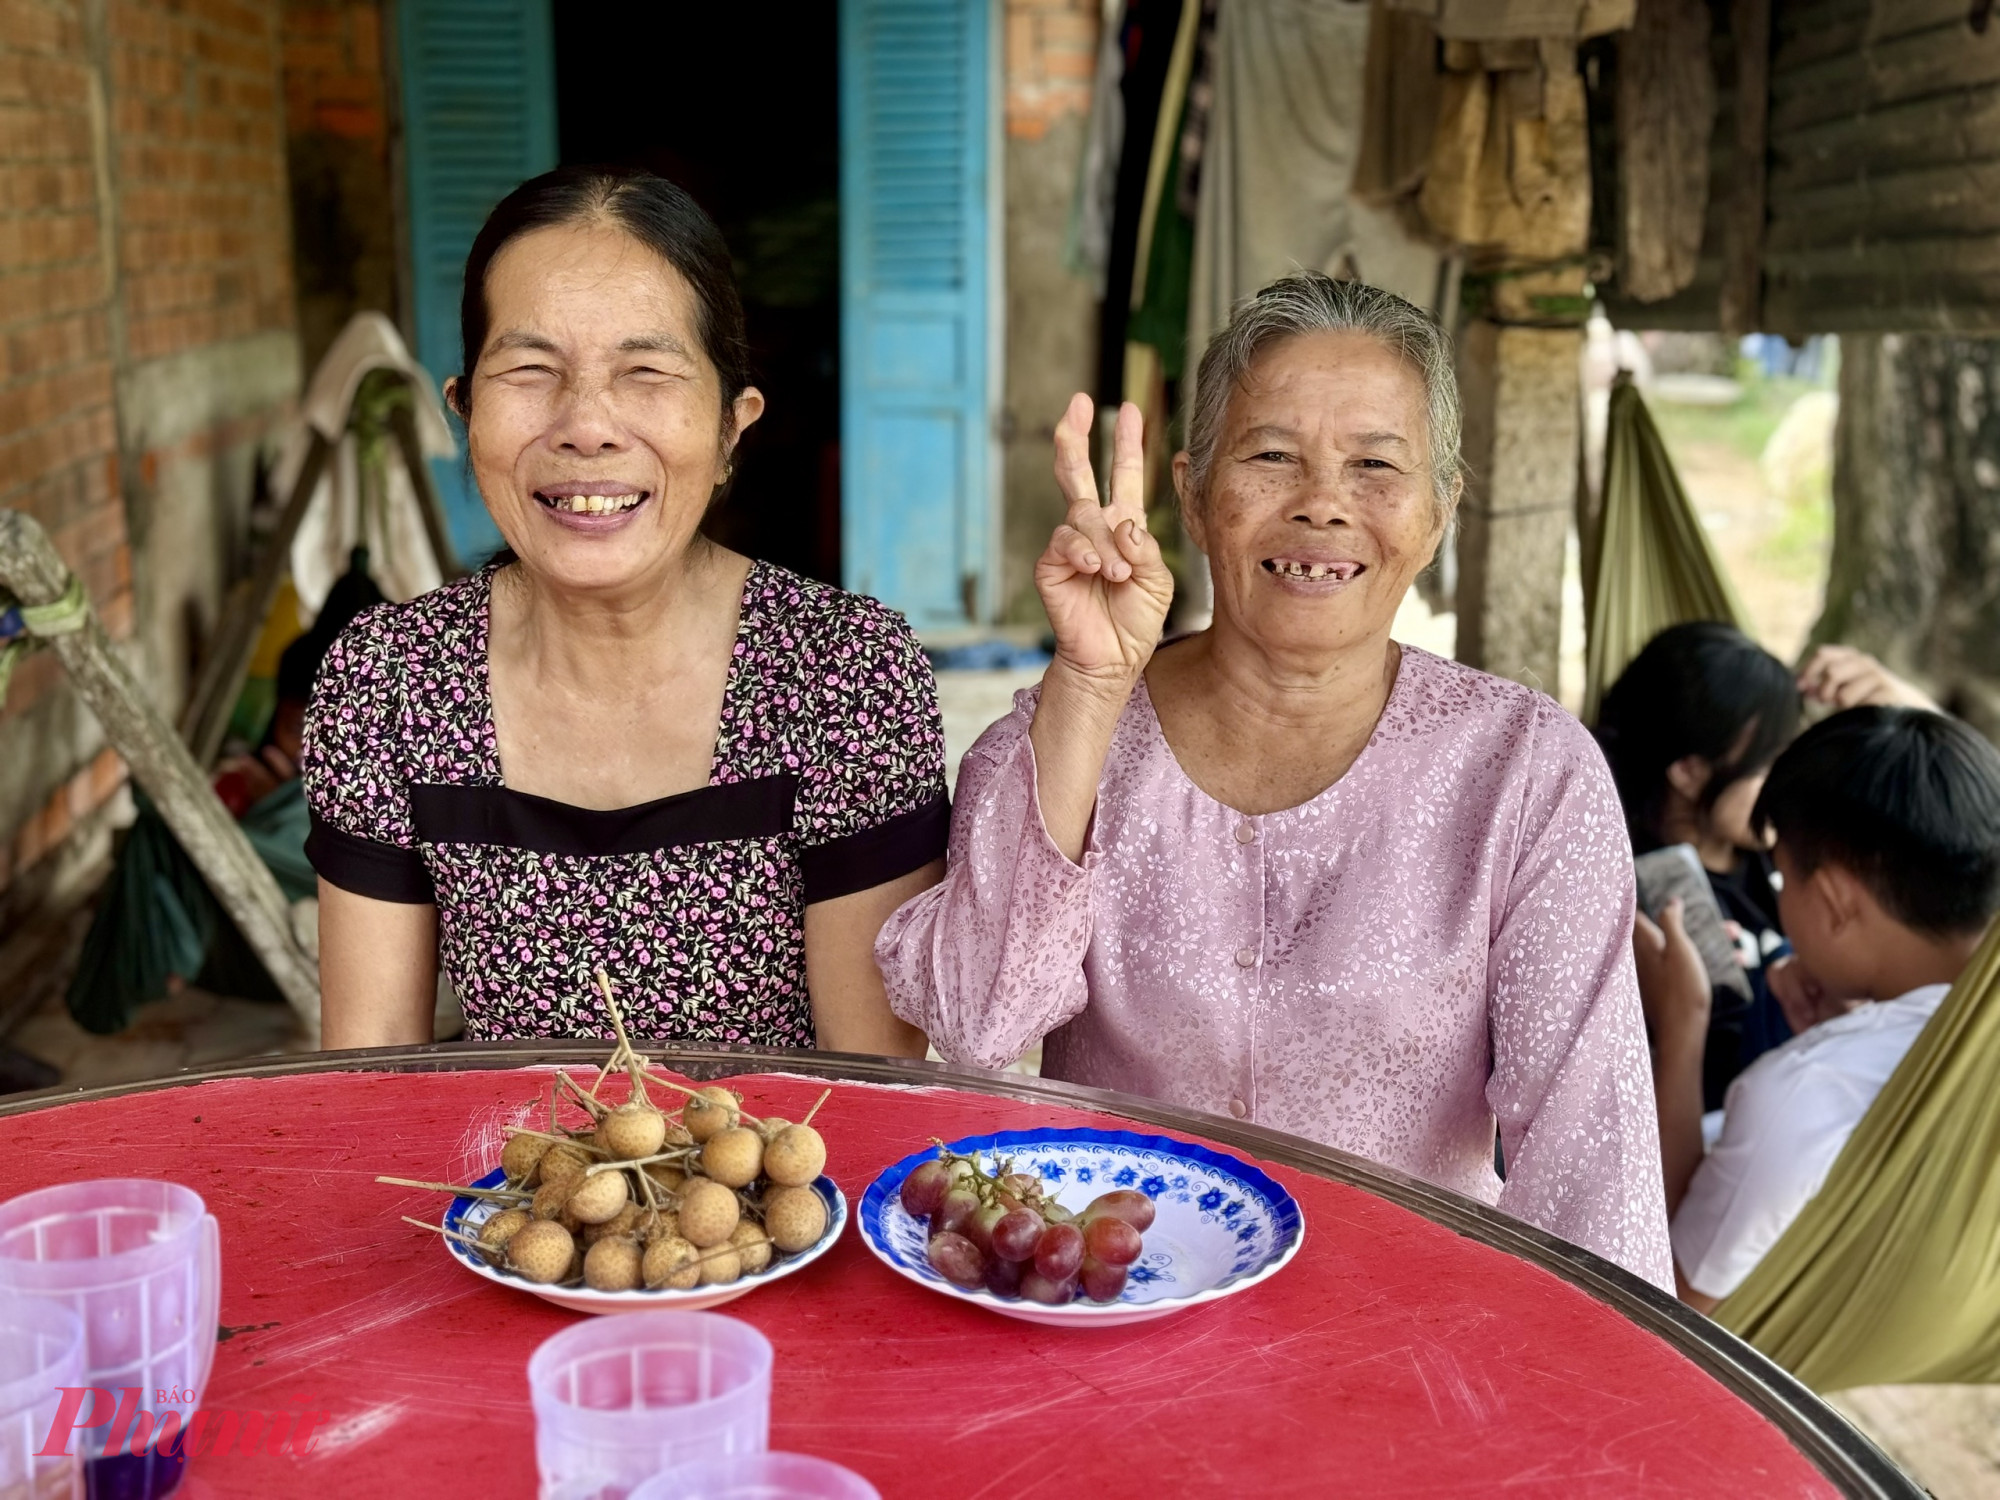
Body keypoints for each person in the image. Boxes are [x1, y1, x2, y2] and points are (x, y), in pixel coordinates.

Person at [878, 273, 1672, 1290]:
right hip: (1120, 1320)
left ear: (1436, 514)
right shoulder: (1060, 738)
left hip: (1402, 1338)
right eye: (1269, 457)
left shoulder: (1522, 770)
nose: (1322, 505)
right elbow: (974, 1027)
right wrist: (1087, 685)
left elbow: (1588, 1155)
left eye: (1376, 466)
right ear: (1195, 498)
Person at [302, 167, 946, 1054]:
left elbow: (870, 1080)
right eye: (530, 370)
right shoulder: (387, 682)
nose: (586, 425)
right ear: (465, 411)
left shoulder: (841, 674)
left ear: (731, 427)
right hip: (508, 1189)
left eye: (645, 372)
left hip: (792, 1184)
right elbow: (371, 1067)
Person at [1639, 707, 2000, 1312]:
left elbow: (1667, 1298)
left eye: (1782, 878)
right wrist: (1847, 1027)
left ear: (1834, 900)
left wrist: (1682, 1022)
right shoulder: (1966, 1035)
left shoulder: (1804, 1093)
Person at [1600, 625, 1940, 1111]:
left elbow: (1943, 850)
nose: (1790, 781)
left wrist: (1905, 713)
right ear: (1690, 771)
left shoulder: (1785, 853)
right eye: (1768, 764)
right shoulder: (1633, 893)